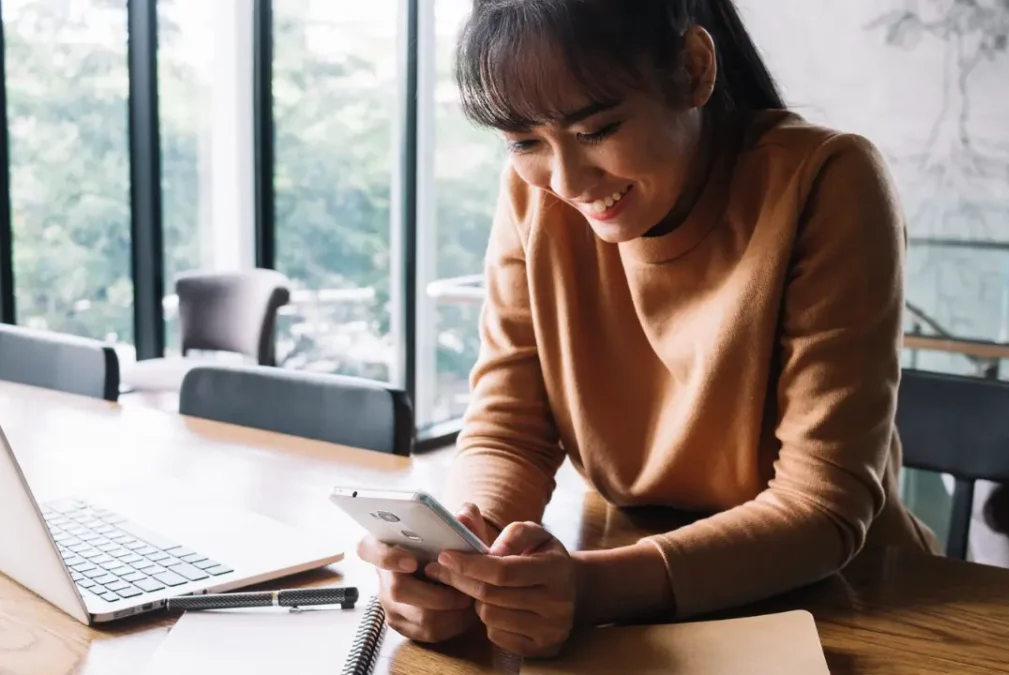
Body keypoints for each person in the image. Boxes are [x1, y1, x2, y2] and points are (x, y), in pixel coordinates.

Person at [358, 0, 939, 658]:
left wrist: (588, 590)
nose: (568, 181)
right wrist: (464, 557)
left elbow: (822, 504)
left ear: (693, 70)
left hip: (854, 603)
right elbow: (510, 429)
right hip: (637, 591)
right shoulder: (535, 195)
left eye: (597, 129)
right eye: (524, 141)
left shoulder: (824, 179)